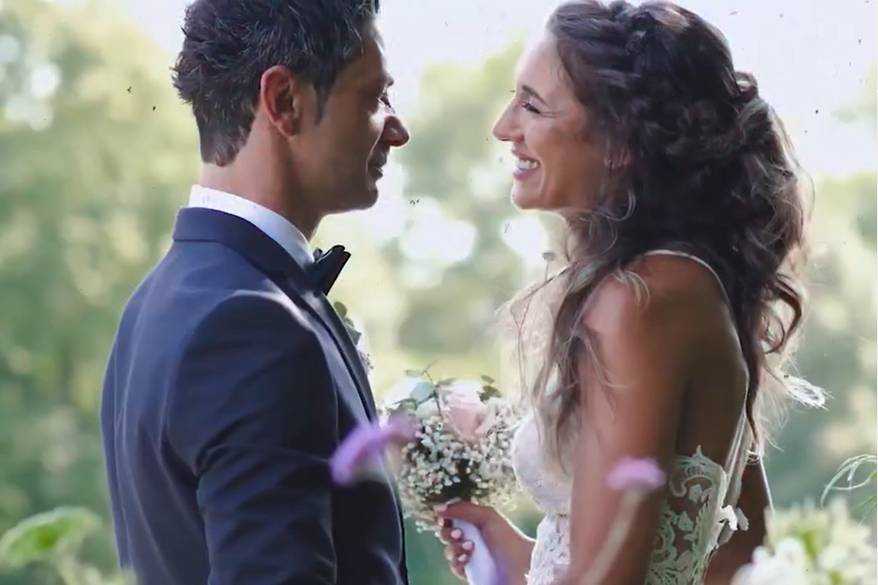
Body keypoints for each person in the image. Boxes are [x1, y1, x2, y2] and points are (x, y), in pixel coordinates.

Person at [438, 2, 819, 584]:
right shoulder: (684, 289)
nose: (503, 126)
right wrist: (516, 559)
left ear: (618, 141)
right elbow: (742, 558)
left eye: (532, 105)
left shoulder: (641, 302)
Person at [100, 1, 410, 583]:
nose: (397, 128)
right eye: (375, 98)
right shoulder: (252, 327)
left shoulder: (150, 306)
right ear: (285, 102)